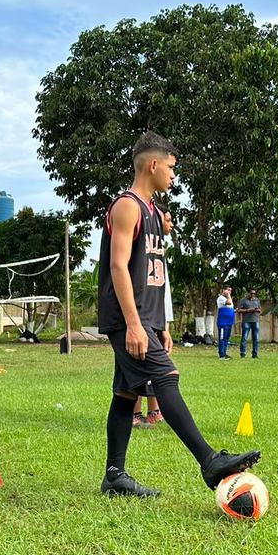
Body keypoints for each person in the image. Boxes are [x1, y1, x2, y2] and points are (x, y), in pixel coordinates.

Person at [97, 131, 259, 498]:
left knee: (126, 394)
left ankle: (114, 476)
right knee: (166, 376)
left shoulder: (154, 212)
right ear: (153, 165)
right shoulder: (127, 206)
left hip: (146, 318)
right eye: (170, 168)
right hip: (127, 318)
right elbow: (119, 268)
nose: (173, 175)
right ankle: (208, 461)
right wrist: (135, 325)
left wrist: (161, 324)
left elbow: (151, 271)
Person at [136, 211, 174, 429]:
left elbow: (164, 293)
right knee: (140, 365)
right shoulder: (143, 249)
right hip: (144, 318)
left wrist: (166, 326)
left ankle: (154, 410)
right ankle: (135, 413)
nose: (170, 224)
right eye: (167, 220)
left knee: (157, 369)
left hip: (159, 319)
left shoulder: (160, 250)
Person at [237, 289, 262, 358]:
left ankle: (255, 354)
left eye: (254, 293)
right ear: (248, 293)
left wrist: (257, 310)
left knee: (256, 339)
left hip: (255, 321)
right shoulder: (243, 300)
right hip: (246, 321)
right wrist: (248, 310)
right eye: (251, 293)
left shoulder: (257, 300)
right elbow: (238, 310)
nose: (252, 295)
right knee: (244, 338)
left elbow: (260, 309)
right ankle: (243, 354)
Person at [216, 286, 235, 359]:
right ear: (223, 290)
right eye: (227, 290)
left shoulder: (228, 298)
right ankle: (222, 355)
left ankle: (224, 352)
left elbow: (230, 308)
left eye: (230, 291)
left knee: (226, 338)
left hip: (229, 322)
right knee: (222, 338)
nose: (229, 292)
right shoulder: (221, 298)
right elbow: (229, 303)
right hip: (223, 323)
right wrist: (228, 295)